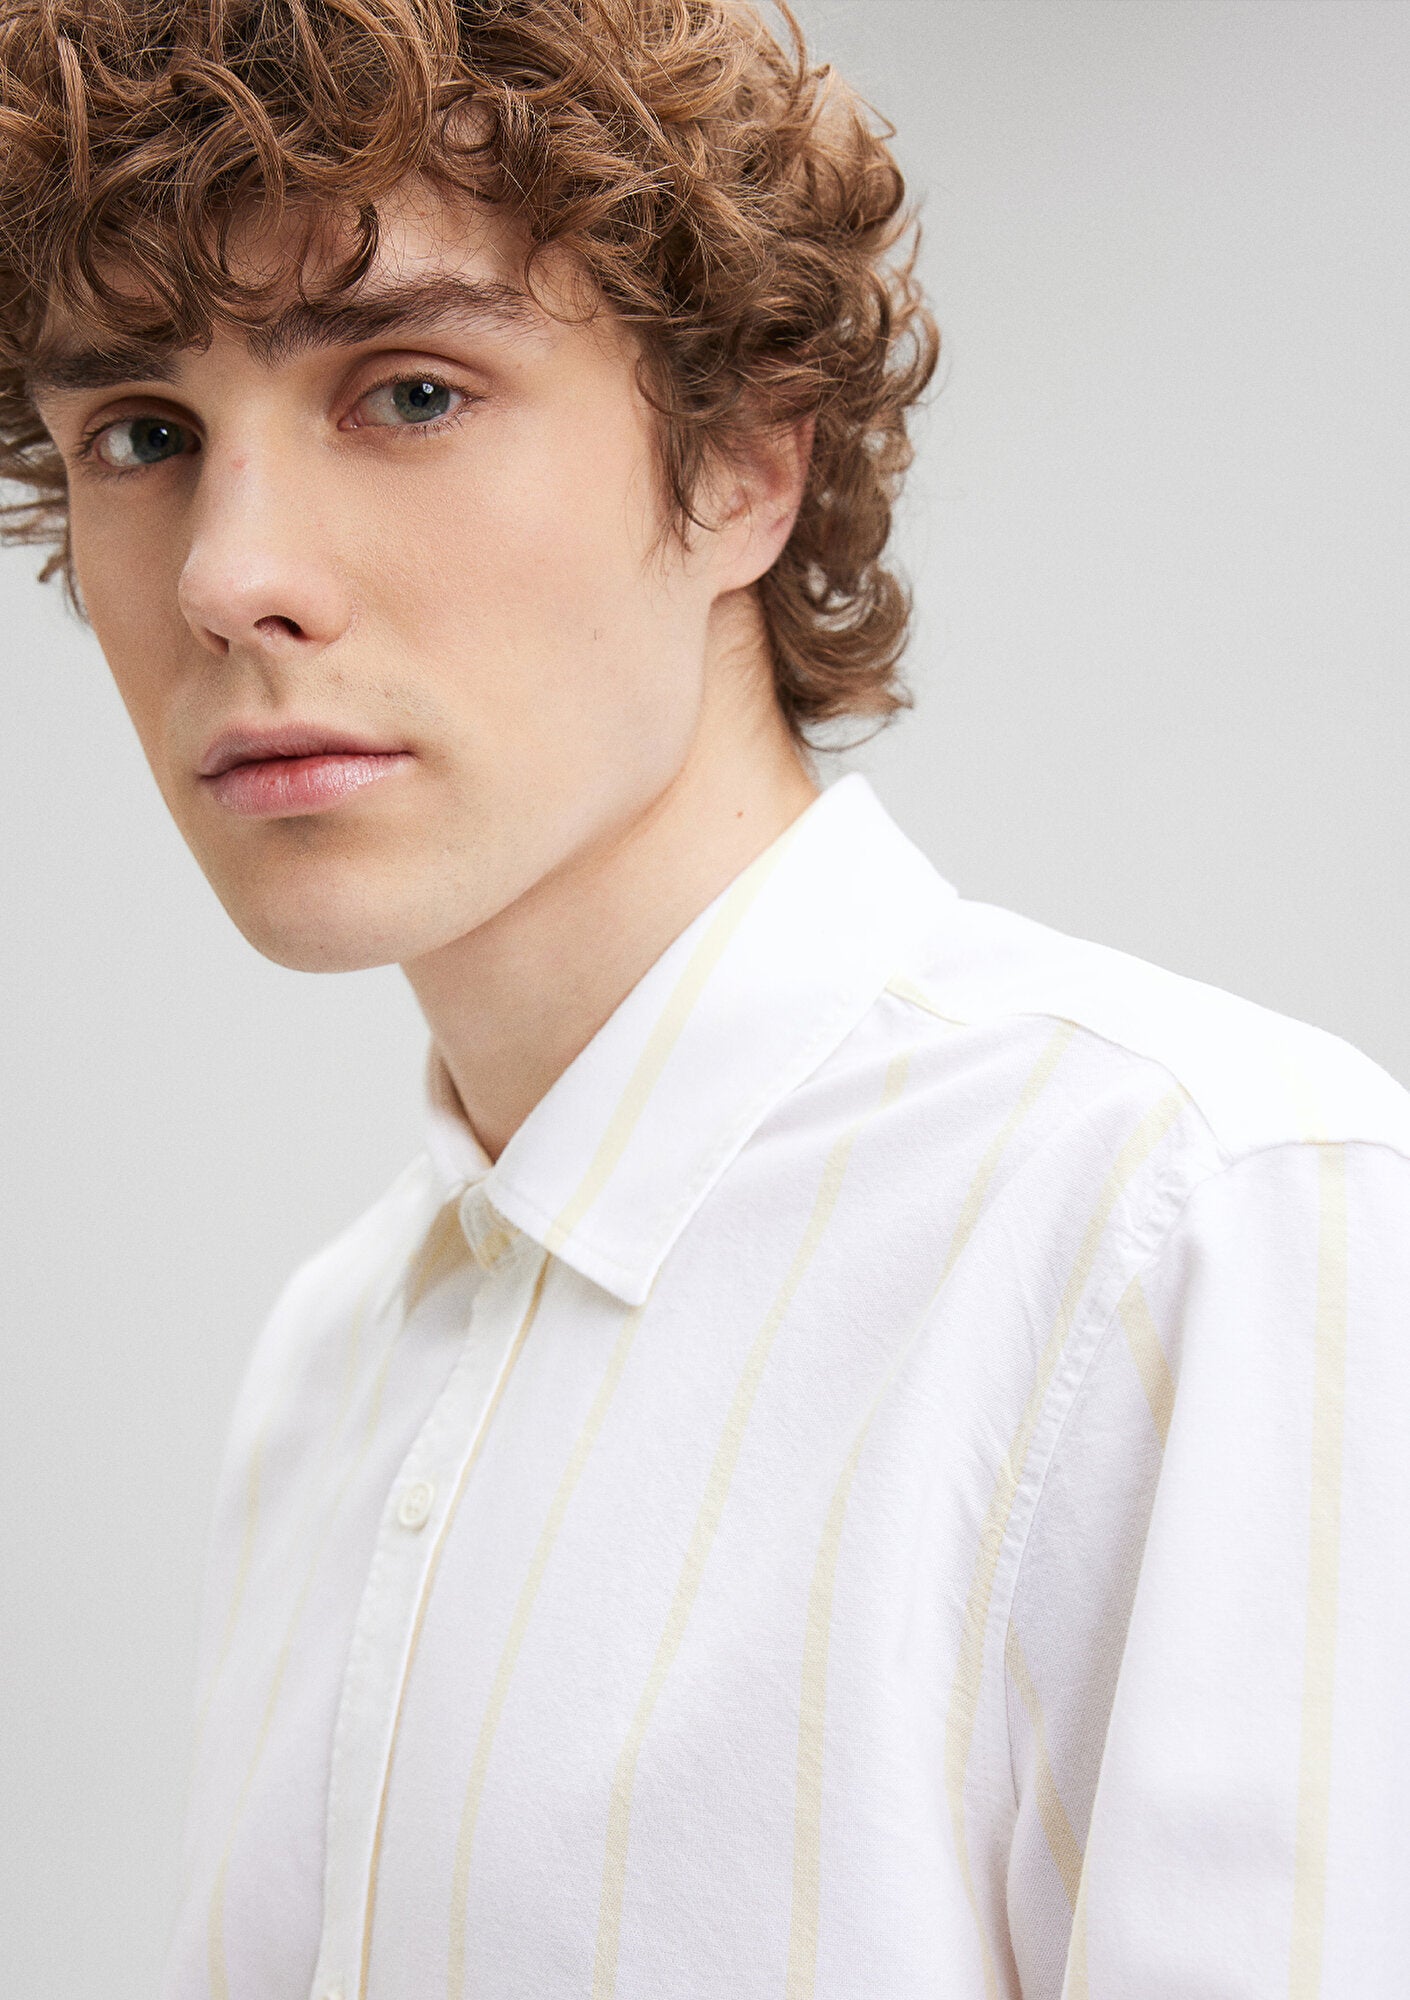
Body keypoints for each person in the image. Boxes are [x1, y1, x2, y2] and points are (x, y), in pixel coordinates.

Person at [2, 0, 1406, 1995]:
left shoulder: (1206, 1224)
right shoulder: (332, 1361)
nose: (230, 576)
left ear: (746, 460)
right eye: (142, 436)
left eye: (410, 392)